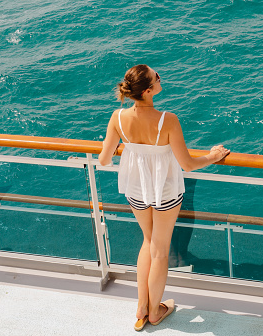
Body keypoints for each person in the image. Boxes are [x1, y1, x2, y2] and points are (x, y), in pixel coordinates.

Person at [98, 64, 230, 331]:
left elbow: (103, 159)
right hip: (166, 192)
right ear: (148, 91)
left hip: (136, 189)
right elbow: (188, 164)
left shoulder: (118, 118)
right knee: (160, 251)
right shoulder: (166, 120)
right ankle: (156, 311)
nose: (161, 79)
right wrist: (214, 156)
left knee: (147, 243)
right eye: (157, 77)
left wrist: (132, 148)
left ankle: (142, 308)